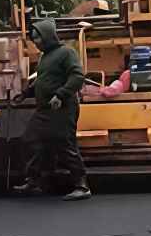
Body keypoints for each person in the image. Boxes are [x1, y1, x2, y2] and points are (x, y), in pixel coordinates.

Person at [12, 19, 92, 201]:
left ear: (48, 36)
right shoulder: (44, 57)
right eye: (34, 39)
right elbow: (42, 80)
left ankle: (82, 186)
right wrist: (25, 93)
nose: (36, 42)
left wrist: (60, 95)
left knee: (65, 145)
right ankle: (34, 180)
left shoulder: (66, 53)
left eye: (38, 38)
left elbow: (77, 76)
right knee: (30, 139)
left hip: (63, 108)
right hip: (44, 110)